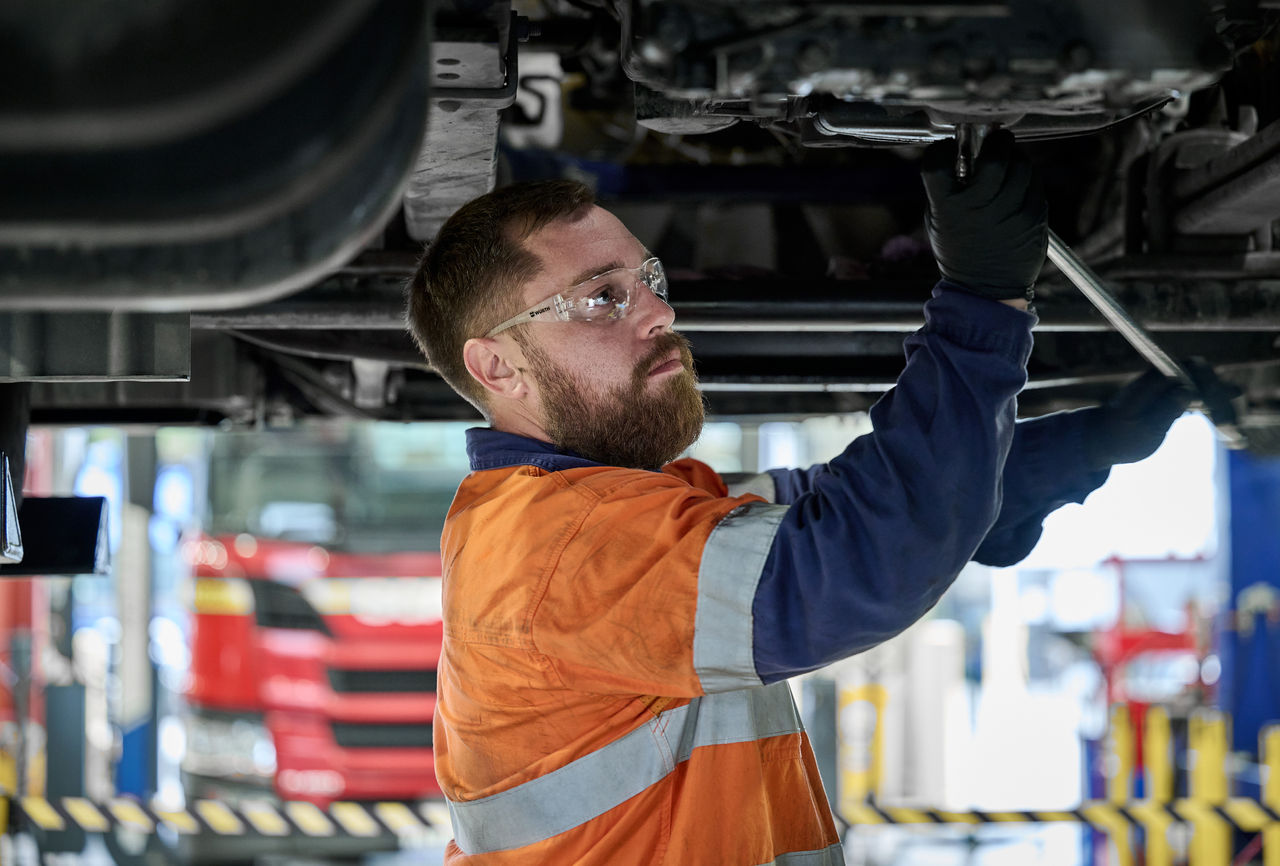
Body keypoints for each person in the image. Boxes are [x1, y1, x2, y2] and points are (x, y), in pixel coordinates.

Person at [403, 130, 1192, 865]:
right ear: (498, 368)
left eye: (647, 279)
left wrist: (1082, 449)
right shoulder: (563, 551)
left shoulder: (602, 512)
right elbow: (859, 562)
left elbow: (843, 507)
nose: (661, 313)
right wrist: (982, 305)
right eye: (602, 298)